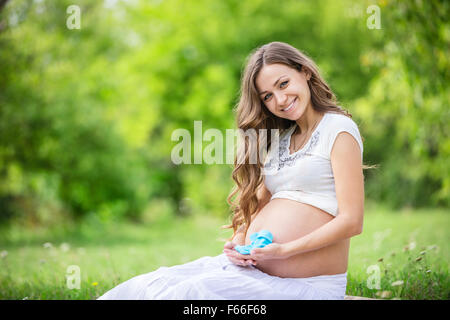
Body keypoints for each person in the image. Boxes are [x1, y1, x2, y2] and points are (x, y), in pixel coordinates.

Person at [97, 41, 366, 300]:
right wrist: (239, 240)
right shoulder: (282, 141)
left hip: (305, 287)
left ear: (304, 72)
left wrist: (283, 251)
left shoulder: (338, 130)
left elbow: (352, 220)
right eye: (268, 96)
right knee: (145, 288)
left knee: (189, 296)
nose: (280, 100)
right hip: (252, 272)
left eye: (283, 84)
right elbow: (262, 204)